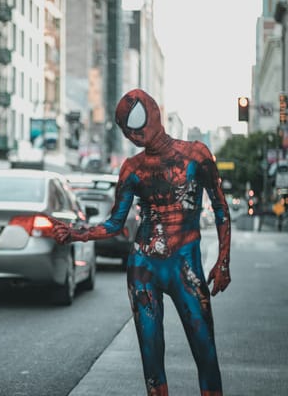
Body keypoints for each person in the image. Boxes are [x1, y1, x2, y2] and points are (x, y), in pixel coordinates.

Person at [51, 89, 231, 396]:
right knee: (151, 357)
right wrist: (77, 233)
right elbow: (115, 223)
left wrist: (223, 262)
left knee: (205, 352)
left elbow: (221, 209)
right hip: (143, 269)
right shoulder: (132, 168)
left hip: (185, 266)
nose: (134, 132)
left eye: (136, 119)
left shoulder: (196, 154)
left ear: (154, 111)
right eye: (125, 127)